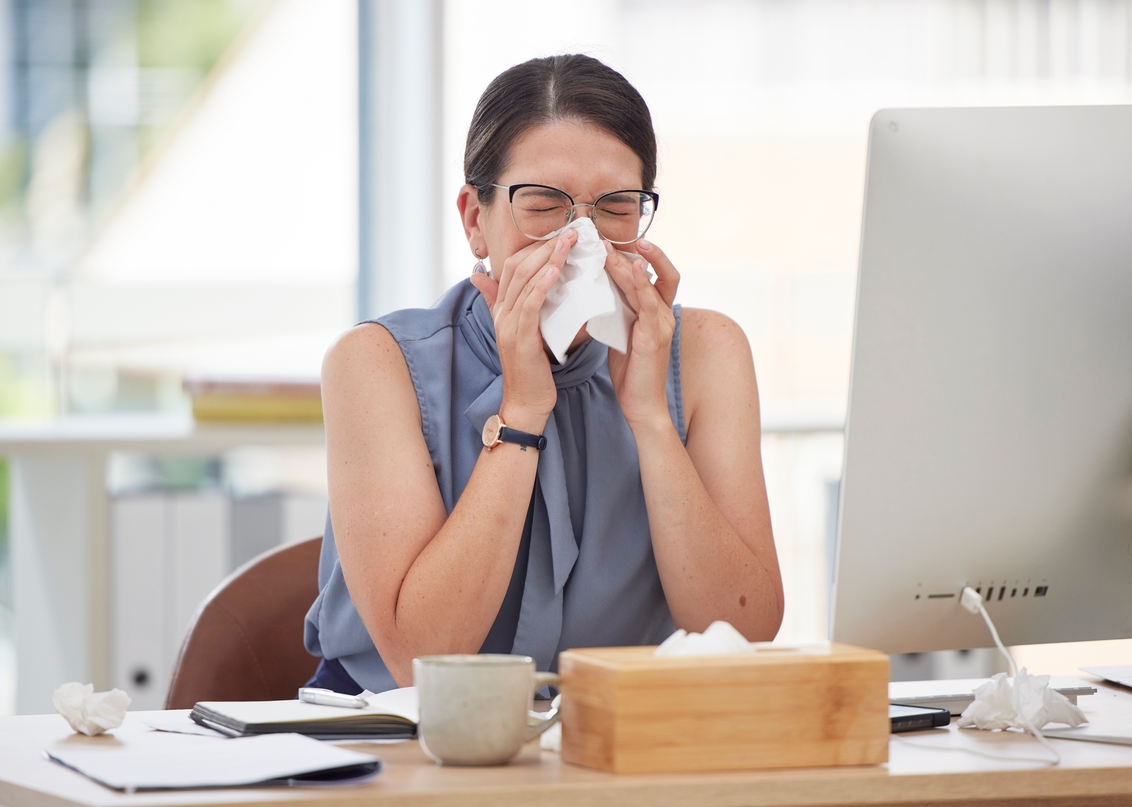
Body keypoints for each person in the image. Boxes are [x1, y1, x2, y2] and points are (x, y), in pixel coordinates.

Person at [304, 54, 782, 693]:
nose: (582, 239)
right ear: (477, 220)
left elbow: (741, 632)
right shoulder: (378, 363)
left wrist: (651, 421)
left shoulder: (705, 351)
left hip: (617, 735)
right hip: (404, 738)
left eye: (615, 207)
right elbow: (422, 660)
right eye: (543, 204)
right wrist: (523, 411)